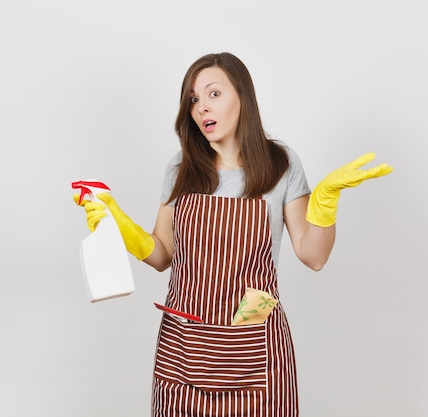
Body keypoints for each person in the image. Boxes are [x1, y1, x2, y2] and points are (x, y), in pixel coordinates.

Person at [74, 52, 393, 417]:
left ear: (243, 97)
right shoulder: (181, 167)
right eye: (193, 99)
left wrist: (324, 201)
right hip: (184, 354)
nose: (201, 108)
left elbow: (314, 255)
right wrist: (120, 223)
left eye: (214, 94)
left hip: (255, 354)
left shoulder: (281, 163)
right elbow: (162, 255)